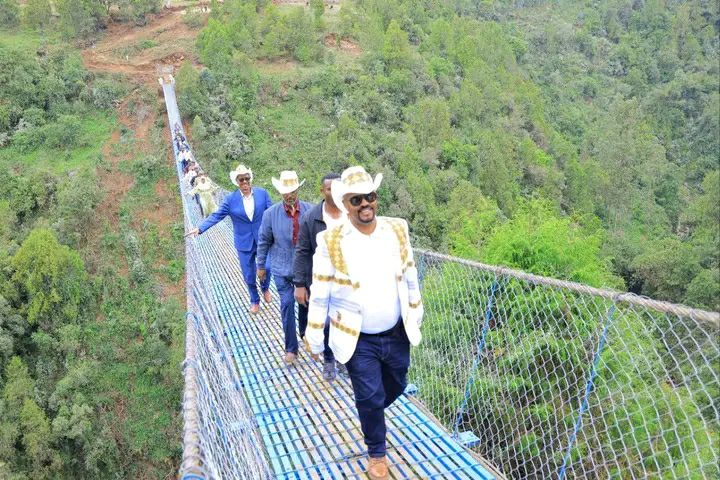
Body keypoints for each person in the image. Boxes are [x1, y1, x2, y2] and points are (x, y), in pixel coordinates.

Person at [305, 166, 423, 480]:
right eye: (356, 200)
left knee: (396, 383)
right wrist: (314, 334)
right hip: (357, 336)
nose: (365, 204)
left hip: (396, 331)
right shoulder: (330, 240)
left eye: (369, 196)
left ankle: (371, 412)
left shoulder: (397, 229)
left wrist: (416, 311)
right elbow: (320, 290)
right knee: (369, 396)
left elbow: (410, 273)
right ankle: (377, 454)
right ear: (346, 205)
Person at [186, 164, 274, 314]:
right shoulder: (230, 199)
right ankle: (255, 300)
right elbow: (216, 215)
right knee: (249, 275)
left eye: (246, 179)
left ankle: (265, 288)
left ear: (250, 179)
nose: (244, 182)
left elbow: (272, 213)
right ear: (237, 182)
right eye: (241, 180)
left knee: (267, 267)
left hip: (262, 240)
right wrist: (200, 228)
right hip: (243, 243)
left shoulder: (262, 194)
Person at [257, 170, 313, 365]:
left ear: (298, 190)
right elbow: (263, 240)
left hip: (304, 270)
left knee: (305, 303)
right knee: (287, 304)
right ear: (281, 192)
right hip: (281, 269)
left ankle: (305, 334)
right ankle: (291, 349)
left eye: (293, 191)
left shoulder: (309, 211)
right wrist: (261, 266)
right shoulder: (270, 215)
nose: (290, 195)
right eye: (286, 192)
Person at [293, 173, 344, 381]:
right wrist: (299, 284)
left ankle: (343, 356)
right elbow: (302, 251)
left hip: (346, 281)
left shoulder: (351, 213)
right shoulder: (311, 217)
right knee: (326, 321)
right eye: (330, 189)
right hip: (320, 278)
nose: (334, 192)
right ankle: (329, 359)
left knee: (343, 318)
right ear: (322, 191)